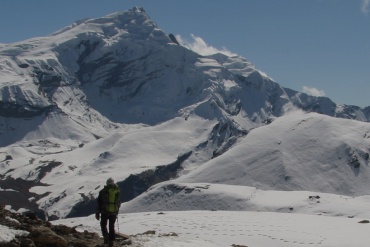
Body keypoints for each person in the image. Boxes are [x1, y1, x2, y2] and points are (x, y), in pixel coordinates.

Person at [96, 177, 121, 246]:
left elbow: (99, 202)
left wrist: (97, 212)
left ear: (107, 183)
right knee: (111, 226)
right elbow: (118, 202)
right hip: (114, 212)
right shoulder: (117, 191)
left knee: (103, 225)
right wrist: (117, 210)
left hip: (105, 211)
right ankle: (111, 241)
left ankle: (106, 237)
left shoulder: (103, 191)